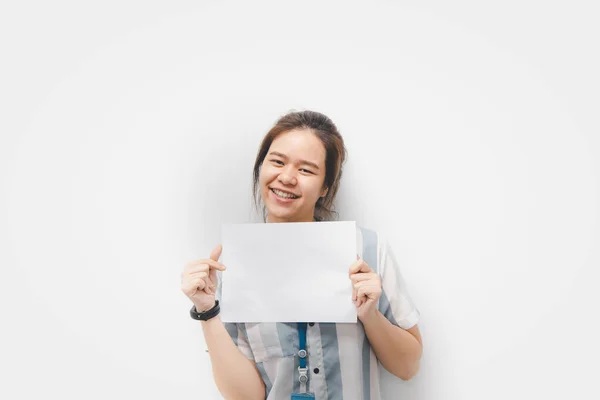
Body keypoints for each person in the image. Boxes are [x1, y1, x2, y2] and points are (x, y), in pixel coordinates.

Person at [181, 110, 423, 400]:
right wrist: (207, 311)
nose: (286, 177)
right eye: (277, 162)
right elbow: (247, 397)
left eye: (306, 170)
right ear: (261, 168)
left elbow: (408, 367)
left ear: (325, 187)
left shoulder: (367, 250)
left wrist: (369, 315)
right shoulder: (232, 265)